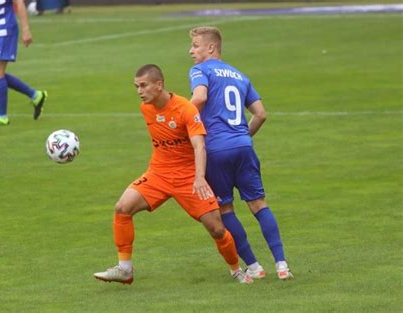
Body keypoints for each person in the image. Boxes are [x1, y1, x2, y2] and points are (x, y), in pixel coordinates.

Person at [93, 64, 253, 285]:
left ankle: (237, 270)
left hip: (188, 178)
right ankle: (125, 269)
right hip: (158, 174)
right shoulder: (145, 108)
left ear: (159, 85)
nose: (139, 91)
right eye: (136, 86)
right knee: (122, 208)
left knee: (216, 229)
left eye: (143, 85)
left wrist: (199, 177)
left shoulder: (186, 109)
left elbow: (199, 146)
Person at [188, 26, 293, 280]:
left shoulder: (200, 70)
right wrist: (243, 136)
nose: (191, 51)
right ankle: (282, 265)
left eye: (195, 46)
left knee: (225, 209)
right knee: (259, 204)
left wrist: (180, 116)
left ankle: (255, 267)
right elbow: (261, 113)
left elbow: (200, 97)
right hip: (244, 147)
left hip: (216, 151)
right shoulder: (239, 75)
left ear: (211, 47)